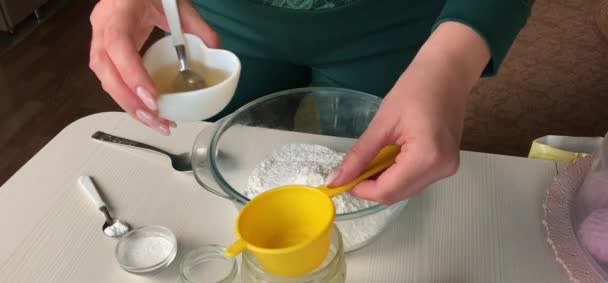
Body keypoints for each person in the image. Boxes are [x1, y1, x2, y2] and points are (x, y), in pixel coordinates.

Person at [89, 0, 534, 204]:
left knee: (373, 186)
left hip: (394, 22)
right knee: (218, 181)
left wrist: (450, 66)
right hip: (217, 20)